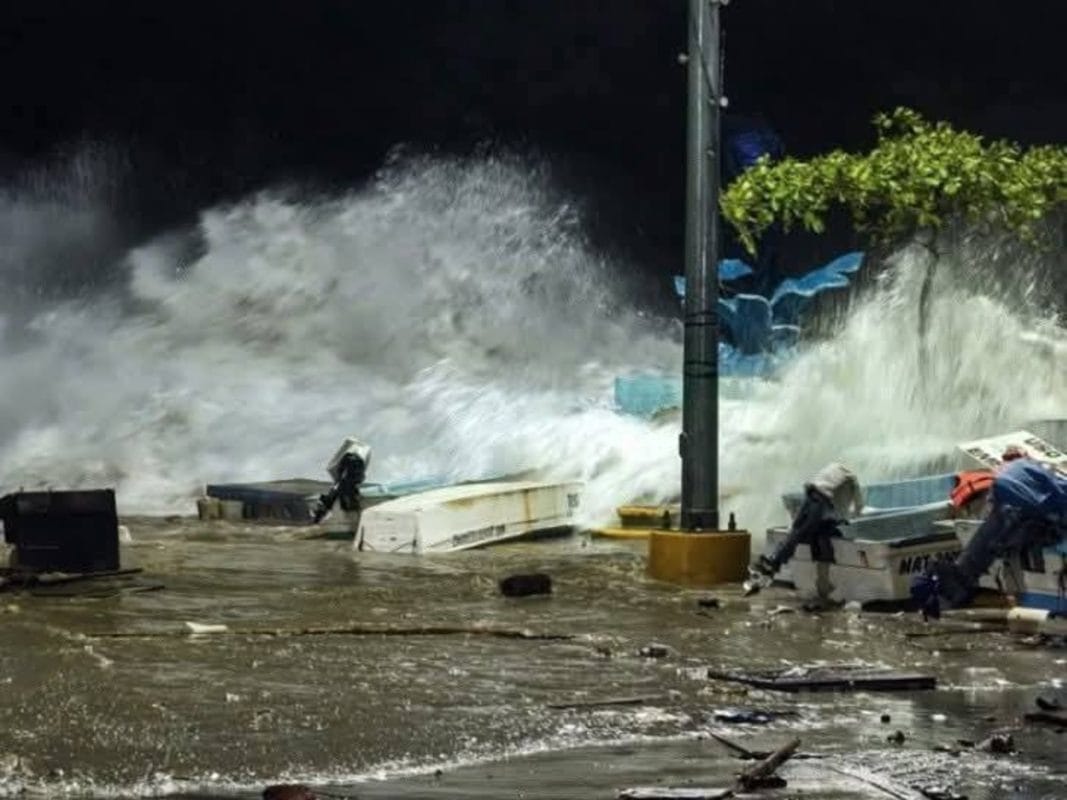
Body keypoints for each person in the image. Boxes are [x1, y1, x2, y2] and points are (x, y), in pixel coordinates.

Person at [911, 455, 1067, 619]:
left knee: (986, 549)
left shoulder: (1013, 479)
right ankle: (943, 597)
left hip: (1014, 492)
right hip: (1026, 499)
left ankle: (942, 598)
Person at [748, 462, 864, 595]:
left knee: (798, 531)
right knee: (805, 532)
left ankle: (774, 562)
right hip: (820, 501)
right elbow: (854, 505)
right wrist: (854, 515)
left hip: (810, 495)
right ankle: (775, 563)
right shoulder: (852, 479)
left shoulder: (834, 468)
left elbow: (828, 498)